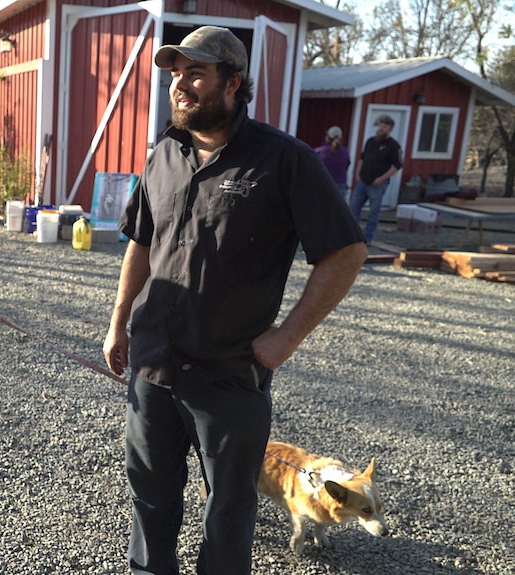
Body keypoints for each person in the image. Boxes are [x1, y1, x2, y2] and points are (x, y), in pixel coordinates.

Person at [102, 26, 367, 575]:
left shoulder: (282, 159)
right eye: (176, 75)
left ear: (233, 81)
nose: (181, 85)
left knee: (227, 509)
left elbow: (345, 252)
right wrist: (118, 322)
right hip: (152, 364)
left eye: (196, 73)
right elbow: (142, 243)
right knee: (150, 496)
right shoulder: (164, 153)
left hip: (229, 375)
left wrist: (285, 339)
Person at [349, 114, 403, 242]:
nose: (381, 128)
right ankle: (353, 237)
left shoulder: (394, 146)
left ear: (390, 128)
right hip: (363, 181)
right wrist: (357, 174)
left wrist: (382, 178)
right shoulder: (370, 141)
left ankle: (367, 238)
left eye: (384, 126)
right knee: (353, 208)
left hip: (377, 184)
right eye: (380, 125)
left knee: (374, 212)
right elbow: (362, 159)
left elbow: (397, 165)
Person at [315, 125, 351, 201]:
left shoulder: (319, 151)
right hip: (340, 185)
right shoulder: (345, 152)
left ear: (327, 137)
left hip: (323, 184)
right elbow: (347, 166)